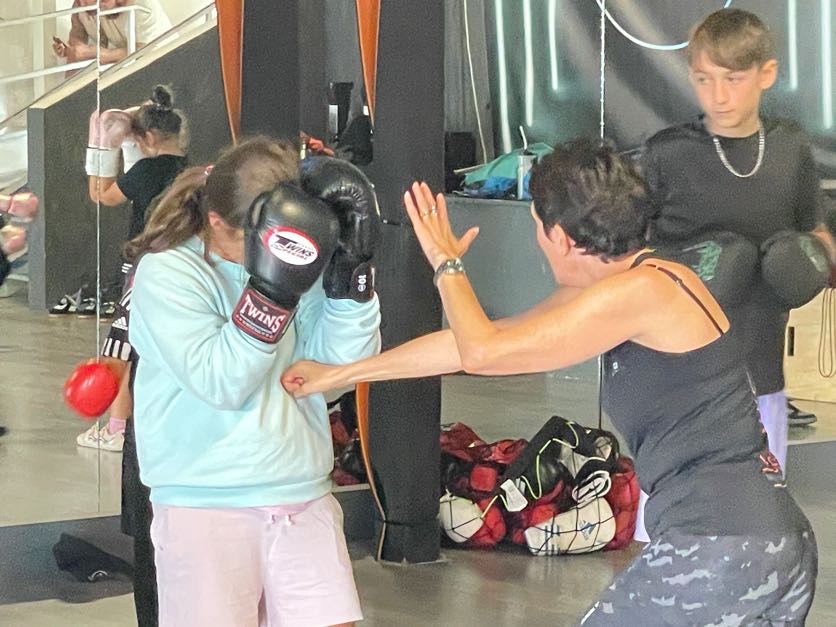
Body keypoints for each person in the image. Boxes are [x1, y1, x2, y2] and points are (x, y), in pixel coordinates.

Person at [282, 140, 817, 625]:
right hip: (768, 538)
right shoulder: (640, 283)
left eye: (536, 225)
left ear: (559, 236)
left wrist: (447, 264)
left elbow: (483, 350)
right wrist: (343, 374)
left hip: (722, 541)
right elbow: (480, 344)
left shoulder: (637, 296)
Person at [123, 137, 380, 626]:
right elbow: (221, 382)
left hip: (301, 494)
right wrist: (272, 292)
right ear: (216, 222)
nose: (268, 252)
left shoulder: (300, 247)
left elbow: (339, 371)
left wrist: (350, 277)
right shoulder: (169, 273)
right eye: (255, 240)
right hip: (206, 505)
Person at [642, 8, 836, 473]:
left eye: (733, 79)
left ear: (765, 74)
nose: (719, 96)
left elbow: (818, 234)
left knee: (764, 524)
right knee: (666, 530)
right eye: (704, 79)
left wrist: (808, 261)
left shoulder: (790, 148)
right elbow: (628, 256)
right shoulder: (668, 152)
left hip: (762, 374)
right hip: (677, 381)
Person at [69, 84, 188, 454]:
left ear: (148, 136)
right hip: (182, 265)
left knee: (121, 350)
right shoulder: (189, 168)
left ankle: (117, 429)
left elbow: (100, 195)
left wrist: (104, 147)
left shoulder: (146, 171)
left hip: (145, 267)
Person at [53, 0, 171, 66]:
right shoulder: (85, 7)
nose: (83, 5)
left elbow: (147, 49)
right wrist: (71, 51)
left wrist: (98, 54)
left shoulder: (143, 4)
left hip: (167, 58)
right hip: (129, 66)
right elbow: (76, 39)